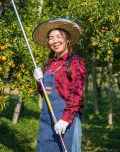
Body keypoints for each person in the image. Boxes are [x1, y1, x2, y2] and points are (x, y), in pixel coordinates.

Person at [32, 17, 87, 152]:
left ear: (67, 39)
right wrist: (39, 81)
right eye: (51, 38)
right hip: (47, 120)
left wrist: (66, 119)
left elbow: (76, 93)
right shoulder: (50, 64)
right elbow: (44, 92)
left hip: (67, 120)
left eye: (58, 36)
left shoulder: (75, 62)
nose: (54, 41)